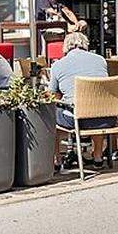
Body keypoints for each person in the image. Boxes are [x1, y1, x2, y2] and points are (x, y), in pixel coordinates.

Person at [47, 31, 110, 170]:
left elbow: (52, 94)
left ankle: (56, 158)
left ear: (65, 47)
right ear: (85, 45)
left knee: (49, 114)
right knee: (95, 105)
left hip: (76, 118)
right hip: (105, 118)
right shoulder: (100, 60)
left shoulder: (58, 65)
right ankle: (98, 156)